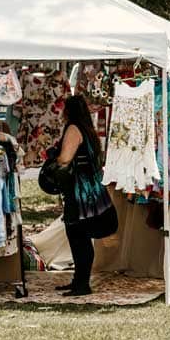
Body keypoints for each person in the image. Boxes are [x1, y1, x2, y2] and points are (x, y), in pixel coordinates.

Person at [53, 95, 117, 297]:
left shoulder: (73, 129)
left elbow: (65, 158)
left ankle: (81, 284)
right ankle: (79, 281)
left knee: (78, 235)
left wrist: (55, 160)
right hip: (90, 189)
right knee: (81, 237)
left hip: (80, 192)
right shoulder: (88, 130)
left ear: (69, 111)